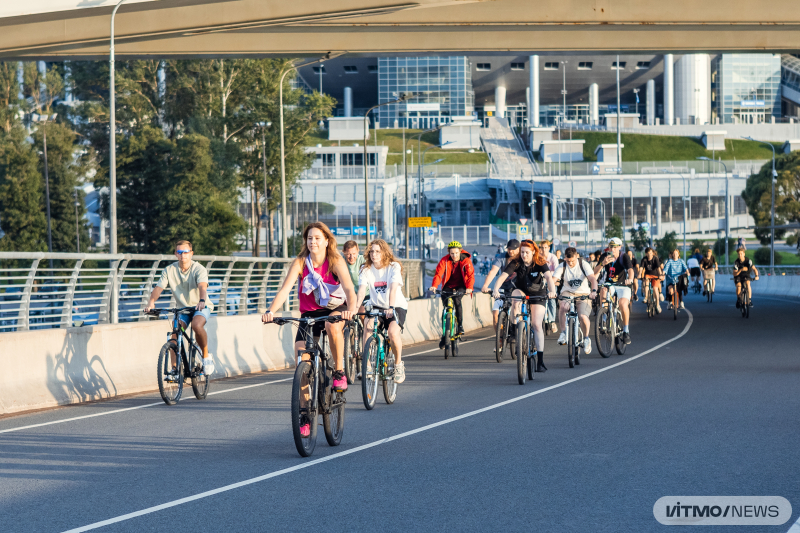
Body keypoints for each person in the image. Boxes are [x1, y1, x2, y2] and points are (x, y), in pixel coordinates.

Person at [262, 223, 356, 437]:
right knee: (302, 359)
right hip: (310, 313)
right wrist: (270, 311)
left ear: (326, 241)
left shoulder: (335, 260)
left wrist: (350, 310)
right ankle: (305, 413)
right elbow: (285, 290)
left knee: (333, 325)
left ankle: (339, 371)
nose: (312, 242)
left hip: (335, 309)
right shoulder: (300, 263)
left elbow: (349, 288)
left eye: (317, 238)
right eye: (309, 238)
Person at [144, 240, 216, 376]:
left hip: (200, 306)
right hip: (183, 309)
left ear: (191, 254)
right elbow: (159, 288)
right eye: (180, 252)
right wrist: (151, 302)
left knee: (196, 325)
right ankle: (175, 369)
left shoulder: (198, 269)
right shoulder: (169, 270)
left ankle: (206, 357)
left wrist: (201, 300)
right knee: (174, 336)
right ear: (176, 254)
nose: (183, 255)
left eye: (186, 252)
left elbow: (202, 286)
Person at [492, 240, 557, 372]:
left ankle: (540, 360)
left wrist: (552, 291)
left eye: (527, 252)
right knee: (515, 301)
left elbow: (549, 278)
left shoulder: (540, 261)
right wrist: (495, 289)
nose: (524, 255)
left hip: (538, 293)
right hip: (521, 290)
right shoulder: (516, 262)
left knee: (536, 324)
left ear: (533, 252)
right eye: (522, 252)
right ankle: (517, 334)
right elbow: (503, 276)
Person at [355, 239, 408, 384]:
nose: (374, 254)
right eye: (371, 251)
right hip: (377, 306)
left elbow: (393, 288)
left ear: (384, 252)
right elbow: (361, 291)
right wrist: (354, 308)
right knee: (367, 326)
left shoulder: (393, 266)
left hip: (396, 305)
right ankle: (368, 368)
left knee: (392, 333)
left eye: (377, 251)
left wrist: (390, 307)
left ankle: (398, 365)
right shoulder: (365, 269)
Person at [430, 241, 475, 348]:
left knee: (457, 301)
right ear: (448, 253)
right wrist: (434, 286)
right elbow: (438, 274)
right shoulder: (444, 260)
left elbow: (470, 275)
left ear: (460, 251)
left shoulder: (466, 261)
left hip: (461, 286)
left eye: (456, 253)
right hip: (448, 286)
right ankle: (444, 335)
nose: (454, 256)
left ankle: (460, 326)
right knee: (446, 308)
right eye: (451, 253)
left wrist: (469, 288)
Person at [554, 247, 598, 354]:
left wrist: (594, 291)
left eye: (573, 261)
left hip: (583, 293)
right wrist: (551, 289)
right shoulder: (562, 265)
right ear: (565, 258)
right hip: (567, 293)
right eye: (568, 261)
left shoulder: (583, 264)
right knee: (563, 307)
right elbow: (553, 279)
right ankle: (563, 333)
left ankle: (587, 338)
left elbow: (592, 279)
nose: (571, 263)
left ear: (577, 256)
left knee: (583, 316)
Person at [593, 237, 634, 344]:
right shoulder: (605, 256)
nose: (612, 249)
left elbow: (630, 270)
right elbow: (594, 272)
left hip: (623, 285)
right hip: (610, 284)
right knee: (603, 291)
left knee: (622, 304)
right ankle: (604, 318)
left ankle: (626, 331)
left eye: (615, 247)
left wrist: (630, 279)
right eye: (611, 247)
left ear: (619, 247)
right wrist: (603, 263)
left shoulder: (623, 257)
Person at [481, 239, 521, 335]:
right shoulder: (502, 257)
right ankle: (499, 340)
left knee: (519, 312)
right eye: (509, 249)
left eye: (513, 249)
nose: (510, 251)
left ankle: (520, 333)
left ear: (519, 249)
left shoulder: (522, 257)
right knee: (495, 313)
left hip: (518, 288)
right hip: (503, 288)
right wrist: (485, 286)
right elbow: (493, 272)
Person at [539, 240, 559, 333]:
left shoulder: (553, 257)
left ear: (548, 248)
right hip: (540, 281)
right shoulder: (538, 258)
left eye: (545, 247)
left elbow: (557, 270)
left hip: (552, 281)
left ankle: (552, 321)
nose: (543, 250)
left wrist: (555, 280)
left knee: (552, 299)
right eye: (542, 248)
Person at [639, 246, 664, 313]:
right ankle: (646, 297)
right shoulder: (644, 259)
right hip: (648, 274)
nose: (649, 254)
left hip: (655, 274)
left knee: (655, 289)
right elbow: (641, 268)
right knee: (646, 283)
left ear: (653, 253)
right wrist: (639, 274)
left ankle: (658, 305)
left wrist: (660, 275)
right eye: (648, 253)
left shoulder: (655, 259)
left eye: (651, 253)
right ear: (646, 254)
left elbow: (658, 268)